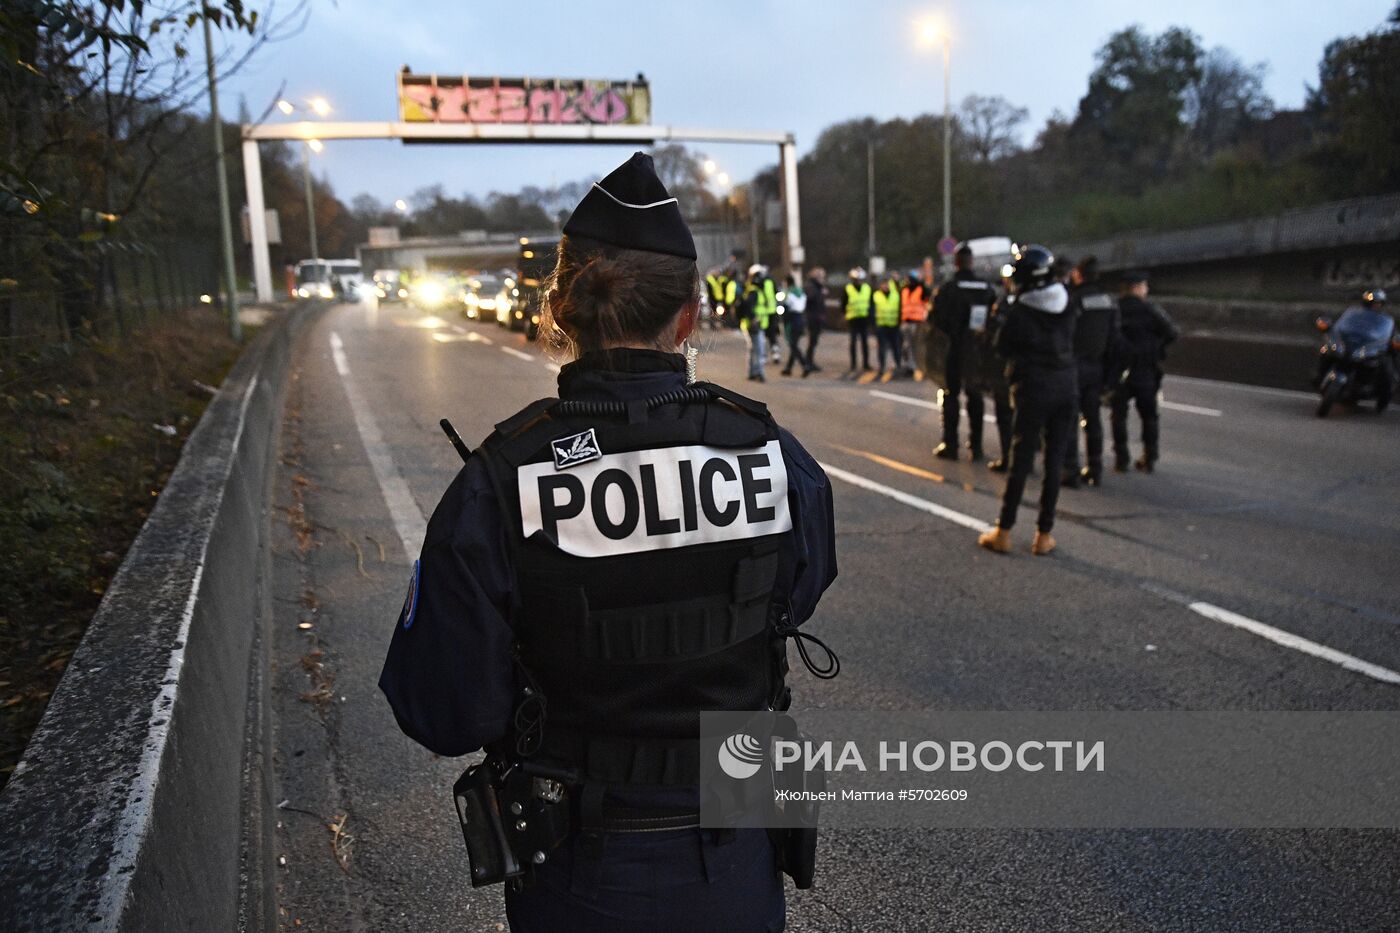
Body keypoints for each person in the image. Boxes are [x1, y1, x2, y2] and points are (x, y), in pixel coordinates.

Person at [379, 152, 838, 933]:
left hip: (579, 865)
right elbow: (800, 588)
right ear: (690, 315)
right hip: (738, 854)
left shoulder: (503, 479)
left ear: (559, 309)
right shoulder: (769, 453)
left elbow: (445, 709)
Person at [978, 245, 1079, 556]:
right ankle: (1043, 535)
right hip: (1066, 387)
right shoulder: (1068, 303)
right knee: (1054, 460)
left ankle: (1004, 531)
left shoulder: (1020, 312)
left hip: (1033, 388)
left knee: (1021, 459)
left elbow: (1002, 347)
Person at [931, 243, 997, 462]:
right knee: (975, 396)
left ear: (957, 262)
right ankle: (976, 446)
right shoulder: (985, 288)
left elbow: (936, 319)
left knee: (951, 396)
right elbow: (993, 318)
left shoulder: (949, 288)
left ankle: (951, 444)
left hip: (954, 348)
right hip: (977, 351)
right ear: (972, 261)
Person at [1110, 271, 1179, 474]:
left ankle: (1121, 458)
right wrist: (1155, 347)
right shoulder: (1150, 310)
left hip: (1120, 370)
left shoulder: (1115, 309)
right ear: (1137, 287)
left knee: (1118, 415)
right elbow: (1172, 332)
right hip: (1146, 370)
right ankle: (1149, 456)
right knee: (1149, 416)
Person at [1061, 257, 1120, 488]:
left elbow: (1065, 334)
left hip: (1073, 366)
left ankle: (1070, 469)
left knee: (1070, 420)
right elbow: (1115, 340)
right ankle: (1095, 468)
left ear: (1079, 274)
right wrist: (1111, 374)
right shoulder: (1108, 301)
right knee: (1093, 419)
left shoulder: (1073, 301)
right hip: (1098, 368)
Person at [741, 263, 777, 382]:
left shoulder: (752, 290)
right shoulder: (755, 292)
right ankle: (759, 373)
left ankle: (752, 372)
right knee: (759, 349)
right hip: (755, 324)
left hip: (754, 324)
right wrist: (754, 319)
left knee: (753, 348)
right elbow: (748, 307)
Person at [899, 269, 930, 377]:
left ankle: (923, 367)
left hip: (918, 323)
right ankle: (910, 367)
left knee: (919, 347)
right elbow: (901, 306)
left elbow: (927, 297)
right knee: (907, 347)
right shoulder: (904, 290)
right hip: (906, 323)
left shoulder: (921, 289)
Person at [872, 273, 903, 380]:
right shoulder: (876, 295)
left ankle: (898, 365)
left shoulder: (896, 295)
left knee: (896, 347)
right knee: (882, 348)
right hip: (881, 326)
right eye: (883, 284)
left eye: (887, 284)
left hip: (894, 325)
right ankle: (882, 367)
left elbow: (900, 309)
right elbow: (872, 310)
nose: (885, 286)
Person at [843, 267, 873, 375]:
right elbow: (843, 304)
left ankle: (866, 363)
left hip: (864, 319)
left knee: (865, 343)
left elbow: (871, 304)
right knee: (853, 343)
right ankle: (853, 364)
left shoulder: (867, 288)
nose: (858, 282)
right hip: (853, 319)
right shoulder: (848, 289)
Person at [780, 273, 811, 376]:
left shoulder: (787, 293)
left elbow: (785, 308)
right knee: (794, 345)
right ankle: (788, 368)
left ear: (786, 283)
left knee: (793, 345)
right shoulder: (800, 291)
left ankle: (805, 365)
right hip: (801, 319)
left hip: (791, 320)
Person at [804, 267, 827, 375]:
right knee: (812, 341)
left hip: (817, 316)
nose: (823, 278)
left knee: (814, 341)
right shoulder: (811, 286)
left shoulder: (816, 286)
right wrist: (821, 291)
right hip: (813, 317)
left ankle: (809, 361)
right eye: (821, 276)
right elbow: (810, 298)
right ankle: (808, 362)